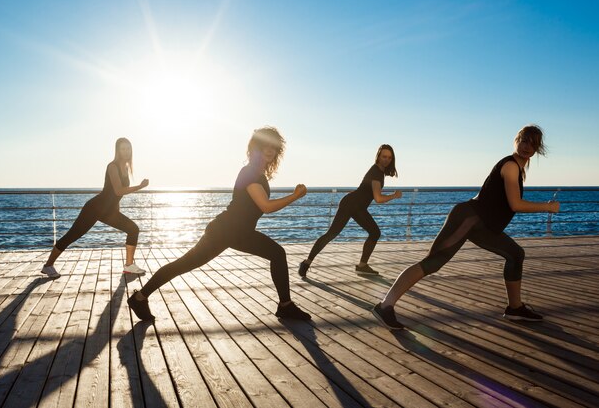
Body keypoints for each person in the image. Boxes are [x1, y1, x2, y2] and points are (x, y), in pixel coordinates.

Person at [372, 125, 560, 329]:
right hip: (467, 219)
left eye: (532, 144)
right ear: (516, 141)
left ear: (537, 148)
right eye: (524, 140)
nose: (527, 146)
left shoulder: (518, 168)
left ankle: (515, 308)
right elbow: (515, 204)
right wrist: (547, 207)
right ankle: (384, 306)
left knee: (515, 254)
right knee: (432, 262)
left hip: (482, 226)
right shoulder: (511, 166)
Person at [128, 126, 311, 321]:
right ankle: (139, 297)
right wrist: (295, 196)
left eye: (273, 147)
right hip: (225, 231)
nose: (269, 150)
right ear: (255, 148)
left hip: (240, 232)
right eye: (264, 145)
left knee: (277, 254)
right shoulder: (249, 172)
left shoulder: (258, 174)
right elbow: (265, 206)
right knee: (183, 264)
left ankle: (285, 305)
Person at [41, 138, 149, 279]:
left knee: (133, 229)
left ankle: (129, 266)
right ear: (118, 150)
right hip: (94, 208)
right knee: (72, 235)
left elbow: (116, 196)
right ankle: (48, 266)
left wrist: (117, 211)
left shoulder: (126, 167)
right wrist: (139, 187)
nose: (126, 151)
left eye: (128, 148)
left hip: (109, 211)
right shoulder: (113, 166)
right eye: (123, 148)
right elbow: (118, 190)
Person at [298, 144, 402, 278]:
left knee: (374, 232)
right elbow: (378, 198)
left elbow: (364, 189)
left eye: (389, 157)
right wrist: (394, 195)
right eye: (384, 156)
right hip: (350, 205)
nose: (386, 159)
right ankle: (306, 263)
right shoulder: (376, 171)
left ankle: (362, 266)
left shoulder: (379, 172)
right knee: (332, 234)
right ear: (378, 157)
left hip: (357, 206)